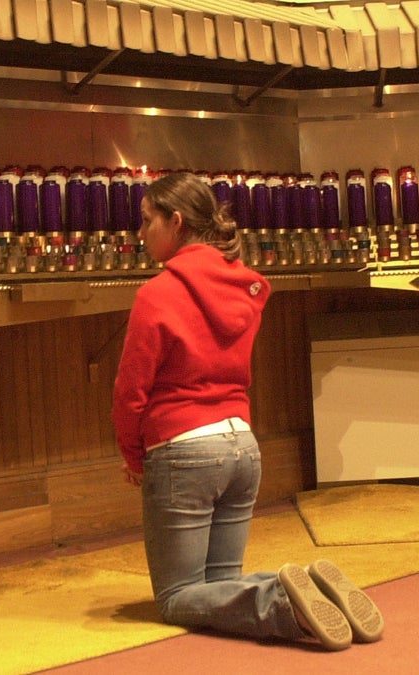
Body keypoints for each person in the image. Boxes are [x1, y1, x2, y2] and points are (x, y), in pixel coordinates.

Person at [112, 171, 384, 650]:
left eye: (147, 221)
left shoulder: (156, 294)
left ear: (175, 222)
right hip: (242, 446)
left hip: (183, 452)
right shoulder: (246, 289)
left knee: (178, 597)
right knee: (218, 588)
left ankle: (282, 603)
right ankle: (315, 592)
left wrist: (135, 456)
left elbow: (130, 389)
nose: (140, 233)